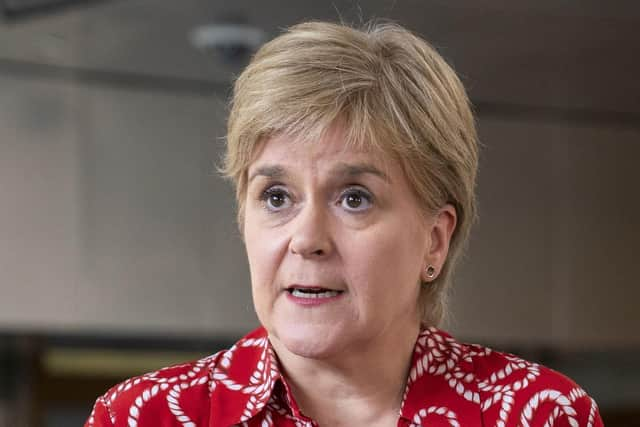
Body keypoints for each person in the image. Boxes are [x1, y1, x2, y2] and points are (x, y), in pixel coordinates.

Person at [85, 21, 603, 427]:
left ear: (435, 240)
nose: (307, 239)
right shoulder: (143, 417)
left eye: (354, 198)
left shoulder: (539, 414)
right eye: (276, 196)